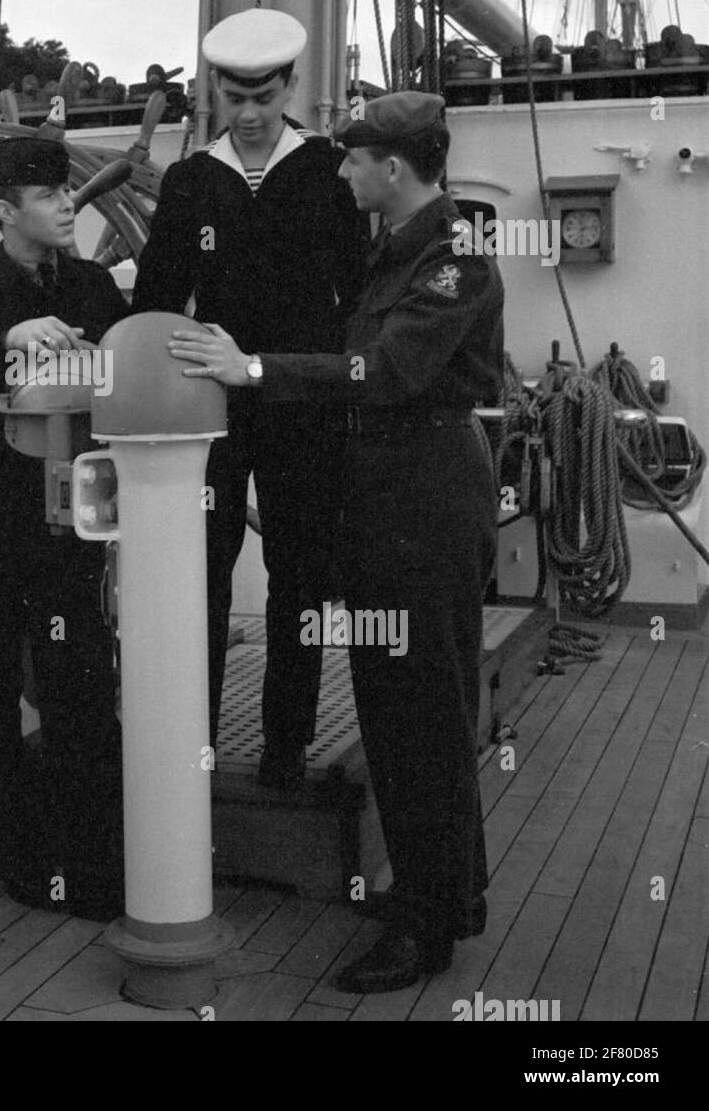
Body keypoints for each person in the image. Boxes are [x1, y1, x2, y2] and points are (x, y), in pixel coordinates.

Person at [166, 91, 503, 993]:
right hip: (387, 503)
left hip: (424, 506)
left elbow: (385, 371)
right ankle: (435, 895)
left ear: (393, 168)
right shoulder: (397, 250)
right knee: (394, 713)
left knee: (427, 714)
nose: (341, 169)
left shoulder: (451, 262)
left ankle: (431, 926)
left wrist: (256, 370)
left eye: (354, 159)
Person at [132, 8, 370, 785]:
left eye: (265, 97)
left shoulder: (331, 173)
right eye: (236, 99)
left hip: (304, 404)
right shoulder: (192, 181)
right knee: (204, 567)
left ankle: (284, 744)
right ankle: (195, 735)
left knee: (300, 573)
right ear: (217, 95)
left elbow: (360, 297)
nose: (252, 114)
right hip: (213, 406)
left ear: (291, 87)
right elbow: (161, 300)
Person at [0, 135, 127, 921]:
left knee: (80, 675)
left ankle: (88, 853)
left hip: (68, 513)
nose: (67, 202)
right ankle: (17, 849)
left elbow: (117, 386)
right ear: (6, 210)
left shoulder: (94, 288)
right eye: (48, 195)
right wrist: (8, 345)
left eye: (66, 190)